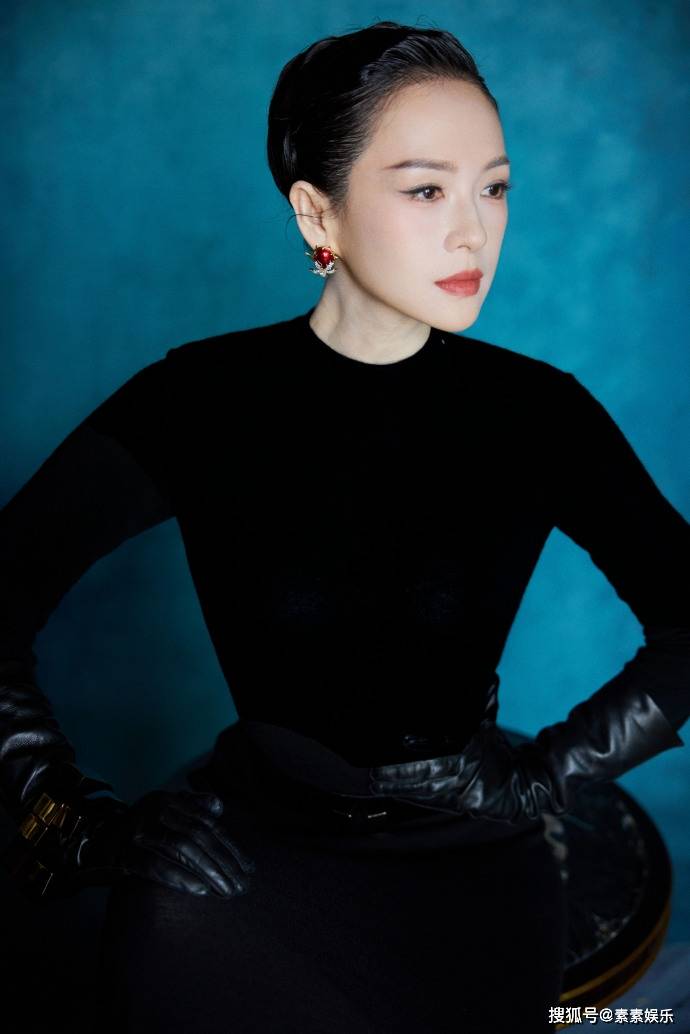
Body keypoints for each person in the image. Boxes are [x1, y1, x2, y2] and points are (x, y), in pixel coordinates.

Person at [1, 19, 688, 1034]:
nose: (475, 232)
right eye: (427, 190)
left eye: (495, 187)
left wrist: (549, 773)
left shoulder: (539, 414)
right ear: (315, 210)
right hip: (237, 871)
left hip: (467, 873)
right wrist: (71, 820)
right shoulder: (199, 399)